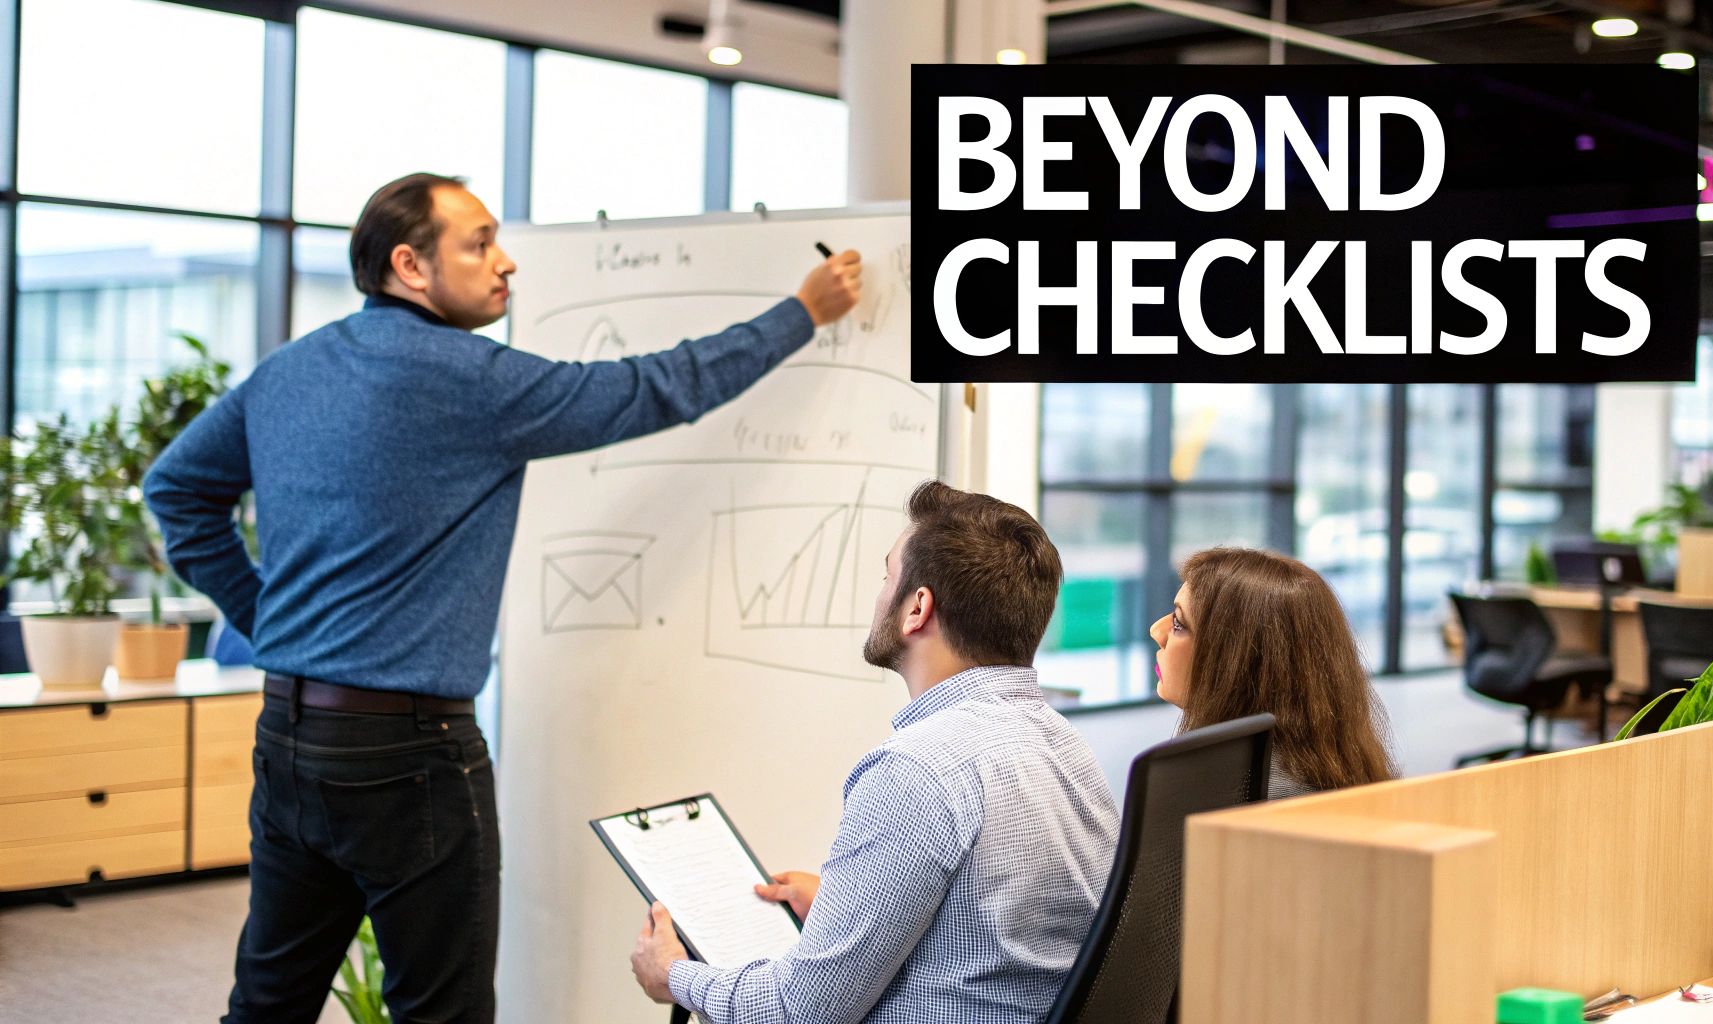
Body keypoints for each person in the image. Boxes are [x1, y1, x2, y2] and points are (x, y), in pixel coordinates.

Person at [142, 171, 862, 1024]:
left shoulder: (289, 370)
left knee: (267, 1006)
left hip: (291, 736)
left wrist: (271, 623)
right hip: (410, 756)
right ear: (410, 265)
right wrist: (802, 313)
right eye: (479, 243)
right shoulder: (472, 378)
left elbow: (174, 491)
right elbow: (656, 386)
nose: (506, 262)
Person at [629, 481, 1119, 1023]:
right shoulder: (1061, 740)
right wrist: (845, 909)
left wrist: (674, 974)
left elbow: (799, 1015)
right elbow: (1000, 936)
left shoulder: (918, 770)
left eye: (888, 576)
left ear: (917, 608)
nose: (880, 592)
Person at [1149, 547, 1395, 798]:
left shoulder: (1244, 798)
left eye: (1178, 623)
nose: (1157, 631)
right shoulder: (1330, 773)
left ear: (1237, 661)